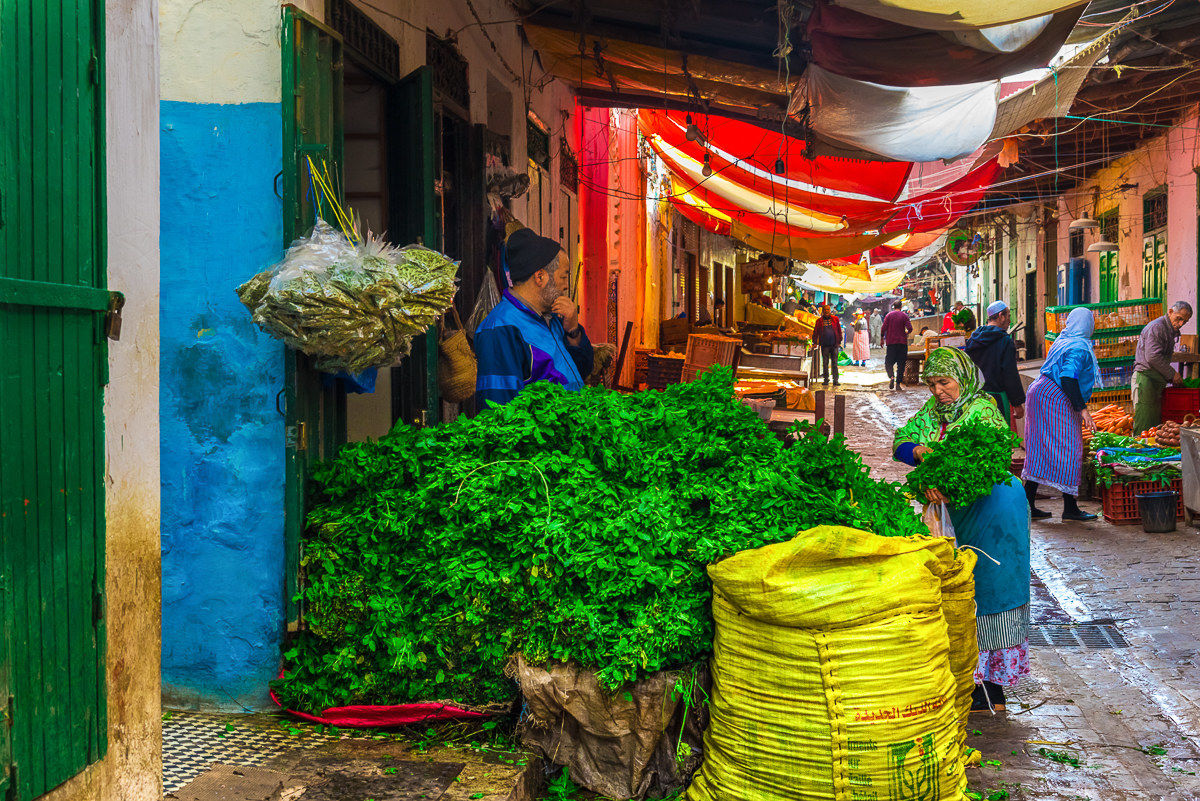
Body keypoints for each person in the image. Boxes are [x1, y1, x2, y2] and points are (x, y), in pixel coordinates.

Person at [893, 348, 1030, 712]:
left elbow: (985, 466)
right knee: (958, 590)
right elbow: (901, 441)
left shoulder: (982, 411)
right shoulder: (932, 413)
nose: (938, 390)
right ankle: (969, 680)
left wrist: (938, 481)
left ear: (964, 378)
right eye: (932, 383)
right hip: (957, 515)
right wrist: (918, 453)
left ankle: (992, 690)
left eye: (945, 382)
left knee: (989, 587)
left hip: (995, 511)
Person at [474, 228, 593, 407]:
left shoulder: (552, 319)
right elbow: (498, 411)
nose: (565, 286)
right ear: (540, 277)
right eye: (563, 276)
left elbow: (581, 370)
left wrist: (573, 330)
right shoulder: (501, 328)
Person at [1021, 307, 1100, 521]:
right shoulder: (1079, 347)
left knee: (1038, 449)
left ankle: (1028, 505)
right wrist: (1082, 409)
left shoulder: (1063, 339)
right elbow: (1068, 377)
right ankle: (1070, 508)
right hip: (1055, 397)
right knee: (1071, 448)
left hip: (1041, 392)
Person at [1133, 300, 1193, 434]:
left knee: (1154, 426)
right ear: (1170, 312)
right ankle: (1139, 454)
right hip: (1145, 379)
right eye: (1179, 319)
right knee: (1144, 425)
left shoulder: (1169, 329)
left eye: (1185, 321)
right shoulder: (1157, 327)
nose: (1181, 324)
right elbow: (1152, 357)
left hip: (1155, 381)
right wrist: (1172, 374)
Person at [965, 300, 1026, 422]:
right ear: (1000, 316)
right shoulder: (1005, 341)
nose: (1009, 320)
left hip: (975, 398)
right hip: (997, 399)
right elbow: (1009, 374)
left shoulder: (973, 339)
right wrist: (1017, 403)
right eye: (1008, 316)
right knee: (999, 436)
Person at [881, 300, 912, 390]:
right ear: (901, 306)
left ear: (893, 307)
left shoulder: (889, 315)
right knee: (901, 364)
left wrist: (882, 338)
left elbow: (883, 328)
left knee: (888, 362)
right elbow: (910, 328)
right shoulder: (904, 316)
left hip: (891, 343)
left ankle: (891, 377)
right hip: (902, 343)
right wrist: (906, 332)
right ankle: (898, 384)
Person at [812, 304, 842, 386]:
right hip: (824, 345)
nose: (826, 311)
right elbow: (816, 332)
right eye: (825, 310)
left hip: (834, 345)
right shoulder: (819, 321)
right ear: (823, 311)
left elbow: (839, 330)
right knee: (825, 363)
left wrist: (839, 341)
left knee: (834, 363)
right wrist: (814, 342)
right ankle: (826, 379)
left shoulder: (835, 319)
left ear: (830, 310)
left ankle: (835, 380)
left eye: (828, 309)